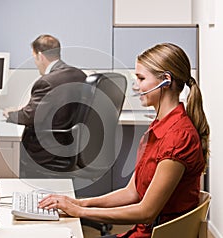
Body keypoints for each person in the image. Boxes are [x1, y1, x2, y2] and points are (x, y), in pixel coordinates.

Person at [38, 43, 210, 237]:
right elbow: (132, 193)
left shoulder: (178, 137)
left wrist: (81, 212)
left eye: (141, 78)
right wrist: (80, 202)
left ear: (166, 81)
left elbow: (146, 212)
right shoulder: (159, 127)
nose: (136, 86)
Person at [4, 34, 87, 172]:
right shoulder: (79, 75)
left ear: (40, 56)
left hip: (45, 151)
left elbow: (28, 117)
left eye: (34, 58)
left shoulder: (47, 81)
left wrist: (10, 114)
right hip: (70, 146)